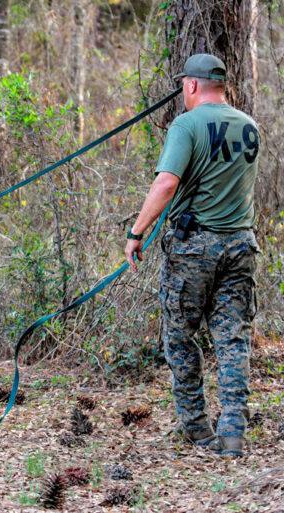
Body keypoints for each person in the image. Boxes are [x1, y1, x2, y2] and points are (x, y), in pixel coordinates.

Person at [123, 54, 260, 458]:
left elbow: (166, 183)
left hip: (194, 249)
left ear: (191, 86)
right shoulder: (250, 127)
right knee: (232, 338)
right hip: (241, 246)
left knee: (181, 338)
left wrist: (137, 232)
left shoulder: (186, 125)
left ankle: (198, 430)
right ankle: (233, 430)